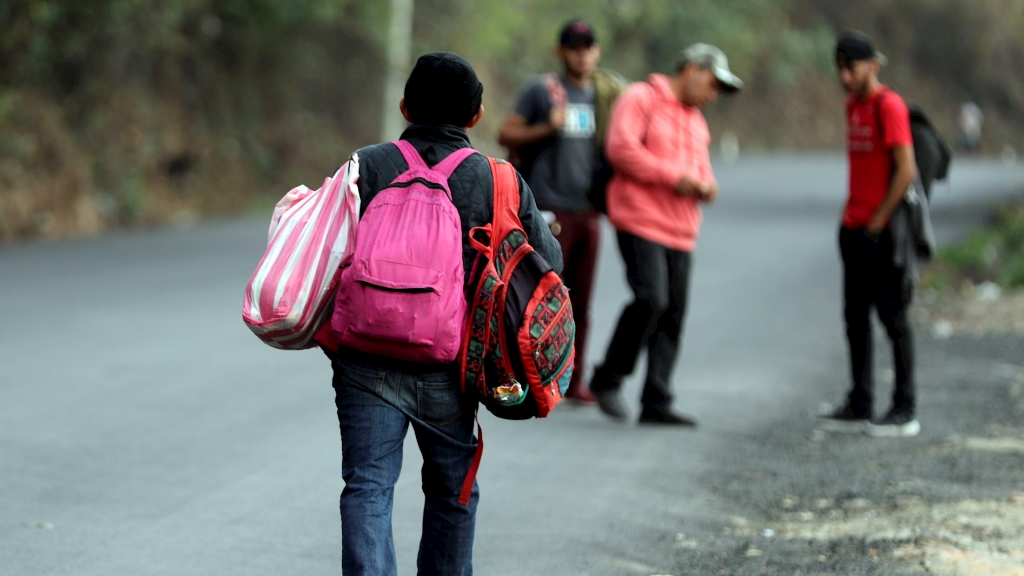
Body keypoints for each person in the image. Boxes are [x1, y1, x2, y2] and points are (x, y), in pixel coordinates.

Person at [324, 52, 562, 575]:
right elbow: (550, 264)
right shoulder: (498, 180)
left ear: (406, 106)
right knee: (452, 491)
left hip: (365, 358)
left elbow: (328, 251)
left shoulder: (366, 164)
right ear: (476, 117)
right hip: (451, 366)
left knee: (366, 486)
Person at [588, 43, 742, 426]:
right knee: (650, 299)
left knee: (673, 313)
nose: (713, 94)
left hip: (682, 227)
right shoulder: (641, 97)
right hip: (639, 219)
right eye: (712, 83)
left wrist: (707, 185)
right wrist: (675, 177)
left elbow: (701, 167)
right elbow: (620, 148)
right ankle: (607, 378)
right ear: (690, 69)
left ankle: (657, 398)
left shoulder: (696, 119)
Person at [497, 19, 626, 404]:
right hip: (548, 210)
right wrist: (545, 129)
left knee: (581, 300)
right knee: (539, 296)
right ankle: (525, 375)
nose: (582, 53)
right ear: (561, 51)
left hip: (587, 209)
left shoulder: (605, 95)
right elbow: (507, 133)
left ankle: (572, 379)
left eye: (588, 46)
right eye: (574, 46)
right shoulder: (544, 91)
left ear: (597, 51)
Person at [817, 31, 921, 437]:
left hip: (881, 231)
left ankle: (904, 407)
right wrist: (854, 223)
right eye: (840, 68)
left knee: (893, 318)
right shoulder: (852, 106)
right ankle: (860, 402)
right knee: (854, 318)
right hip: (852, 227)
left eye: (852, 68)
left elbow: (906, 169)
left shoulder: (888, 106)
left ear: (872, 66)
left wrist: (879, 219)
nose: (845, 76)